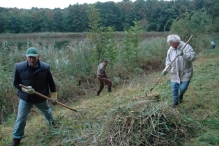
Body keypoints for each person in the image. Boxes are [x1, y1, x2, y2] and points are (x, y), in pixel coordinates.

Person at [10, 47, 58, 146]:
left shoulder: (45, 68)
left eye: (34, 57)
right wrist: (24, 89)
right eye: (30, 57)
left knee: (47, 112)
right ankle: (16, 139)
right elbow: (16, 83)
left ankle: (53, 125)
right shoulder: (19, 67)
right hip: (25, 98)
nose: (32, 59)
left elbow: (51, 84)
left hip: (41, 97)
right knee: (21, 118)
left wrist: (54, 96)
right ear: (26, 57)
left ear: (38, 57)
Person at [162, 34, 196, 108]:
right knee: (174, 88)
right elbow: (168, 61)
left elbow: (193, 57)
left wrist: (184, 54)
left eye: (171, 43)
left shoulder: (186, 46)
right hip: (174, 72)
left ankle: (181, 95)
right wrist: (166, 69)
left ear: (177, 42)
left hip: (185, 72)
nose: (169, 44)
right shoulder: (170, 50)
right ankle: (175, 102)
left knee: (183, 88)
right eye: (169, 43)